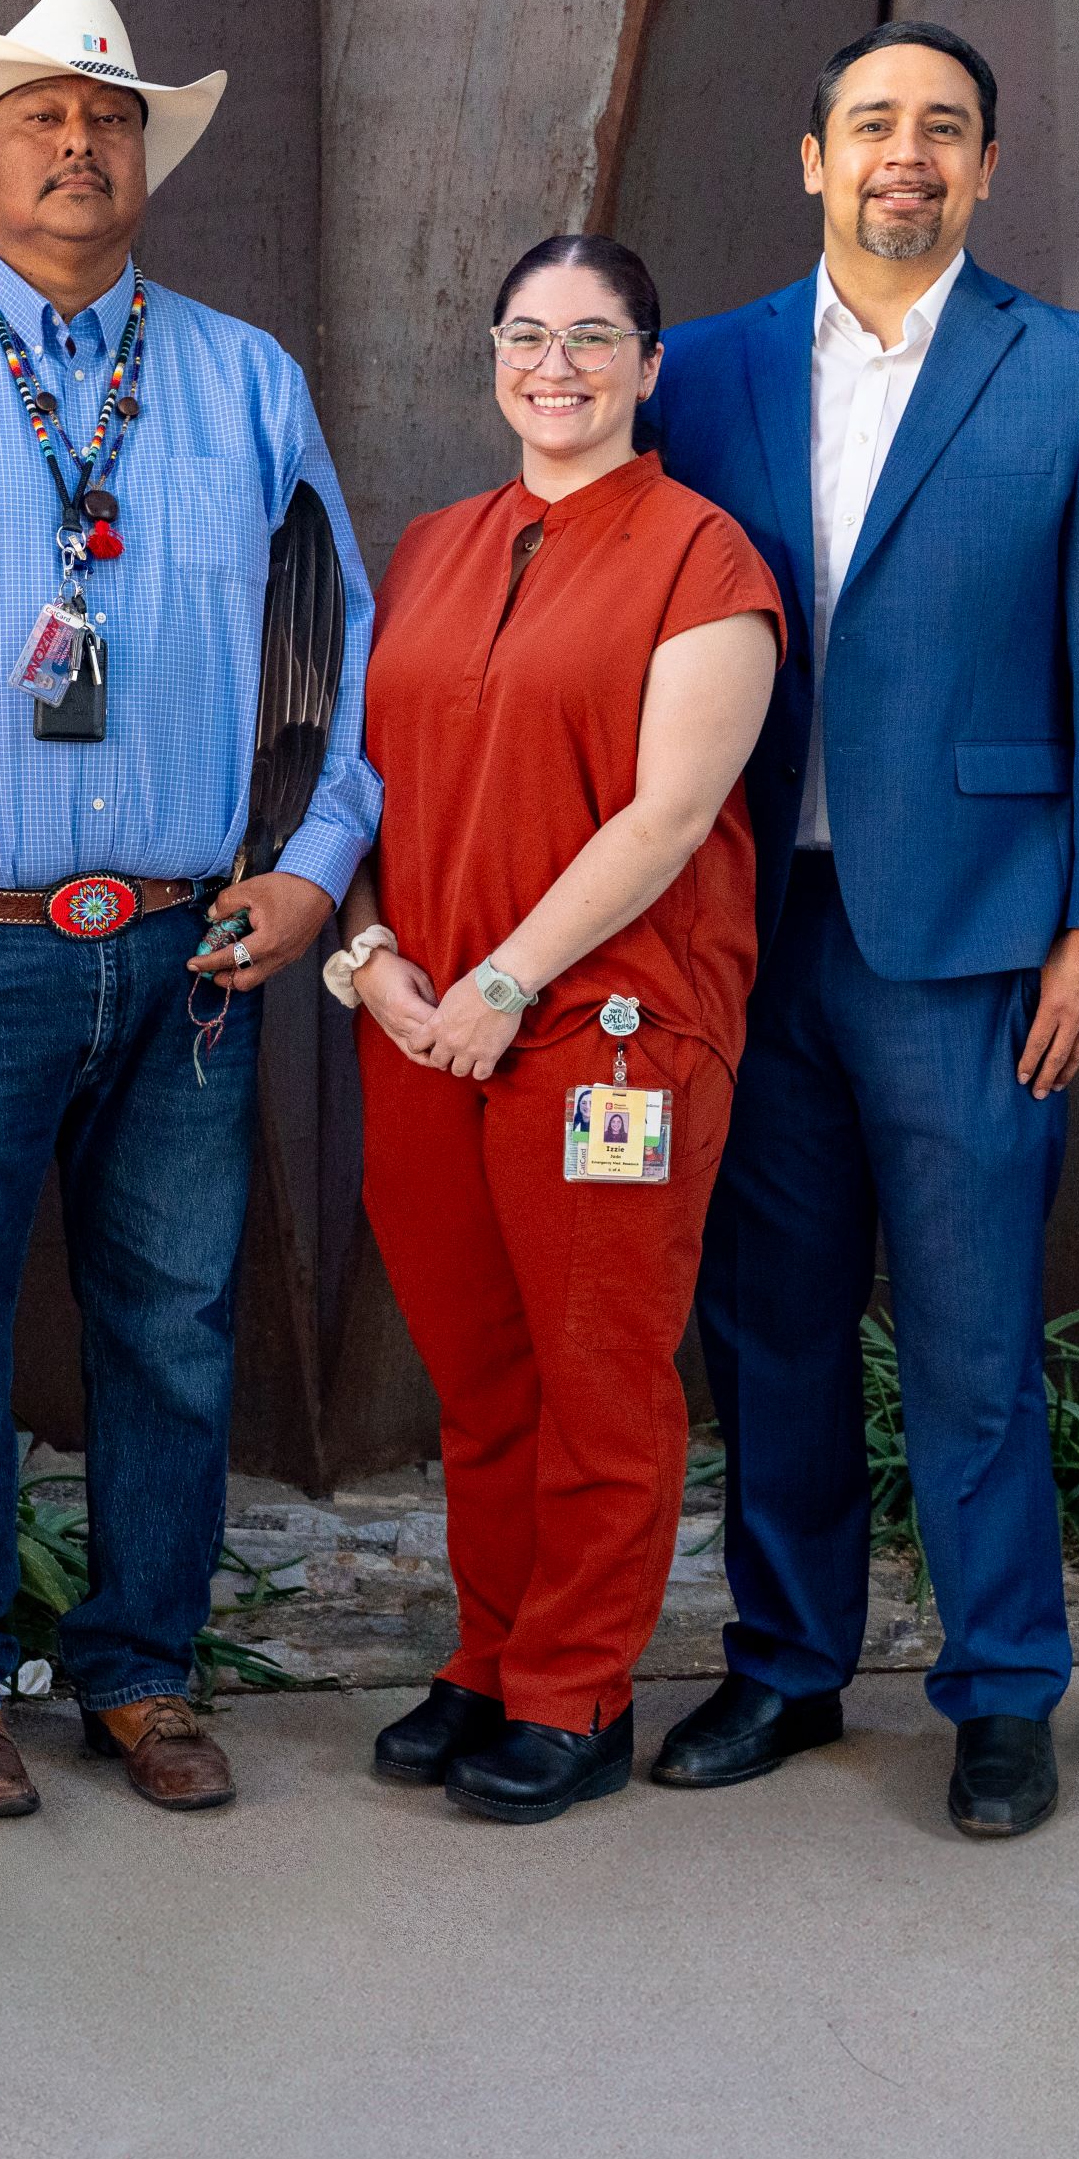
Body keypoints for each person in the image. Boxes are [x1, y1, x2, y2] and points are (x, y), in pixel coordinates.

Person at [0, 0, 378, 1819]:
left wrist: (313, 869)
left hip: (193, 951)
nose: (76, 147)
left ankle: (142, 1672)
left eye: (107, 120)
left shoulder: (247, 376)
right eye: (37, 119)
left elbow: (341, 652)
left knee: (175, 1328)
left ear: (144, 163)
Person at [640, 21, 1079, 1840]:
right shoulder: (697, 374)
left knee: (969, 1343)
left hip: (971, 945)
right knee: (770, 1329)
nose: (906, 155)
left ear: (986, 168)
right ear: (812, 159)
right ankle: (789, 1666)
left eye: (943, 129)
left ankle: (1004, 1692)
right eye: (872, 124)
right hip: (744, 931)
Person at [332, 233, 783, 1825]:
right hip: (417, 1021)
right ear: (495, 357)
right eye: (529, 332)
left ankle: (576, 1689)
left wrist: (506, 983)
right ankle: (488, 1654)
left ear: (652, 368)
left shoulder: (705, 555)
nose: (559, 364)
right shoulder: (439, 543)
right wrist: (372, 951)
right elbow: (368, 785)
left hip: (606, 1030)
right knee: (480, 1375)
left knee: (600, 1374)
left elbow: (667, 817)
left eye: (598, 338)